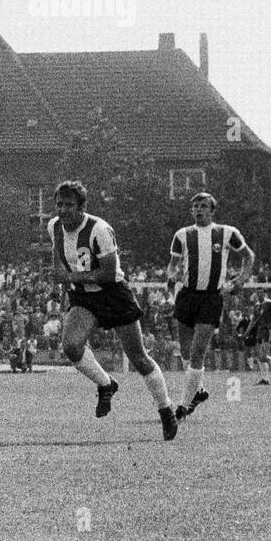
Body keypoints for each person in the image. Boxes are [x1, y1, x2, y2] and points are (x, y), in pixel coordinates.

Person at [48, 180, 178, 441]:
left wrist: (71, 276)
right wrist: (60, 280)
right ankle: (106, 384)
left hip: (113, 294)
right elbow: (58, 261)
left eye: (69, 205)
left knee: (139, 358)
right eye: (59, 204)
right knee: (71, 346)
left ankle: (165, 409)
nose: (63, 210)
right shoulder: (54, 226)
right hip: (84, 298)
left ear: (82, 207)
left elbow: (107, 273)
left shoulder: (99, 229)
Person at [165, 192, 254, 419]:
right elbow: (172, 265)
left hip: (211, 298)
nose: (198, 209)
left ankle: (183, 406)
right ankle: (200, 390)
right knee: (184, 350)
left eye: (203, 206)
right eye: (195, 206)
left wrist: (239, 281)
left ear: (212, 210)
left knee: (197, 352)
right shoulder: (182, 235)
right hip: (187, 295)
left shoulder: (227, 233)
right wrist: (172, 276)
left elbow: (248, 256)